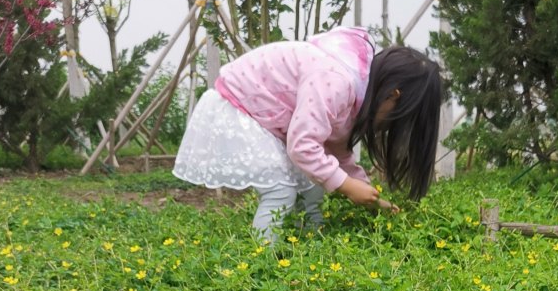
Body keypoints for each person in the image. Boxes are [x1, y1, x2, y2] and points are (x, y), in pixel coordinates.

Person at [173, 26, 442, 243]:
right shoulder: (337, 81)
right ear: (393, 95)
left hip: (264, 116)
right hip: (237, 106)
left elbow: (337, 152)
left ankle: (310, 244)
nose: (389, 127)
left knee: (314, 184)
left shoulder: (356, 87)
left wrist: (367, 195)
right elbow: (303, 147)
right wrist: (348, 187)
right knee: (281, 191)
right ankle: (258, 265)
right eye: (399, 116)